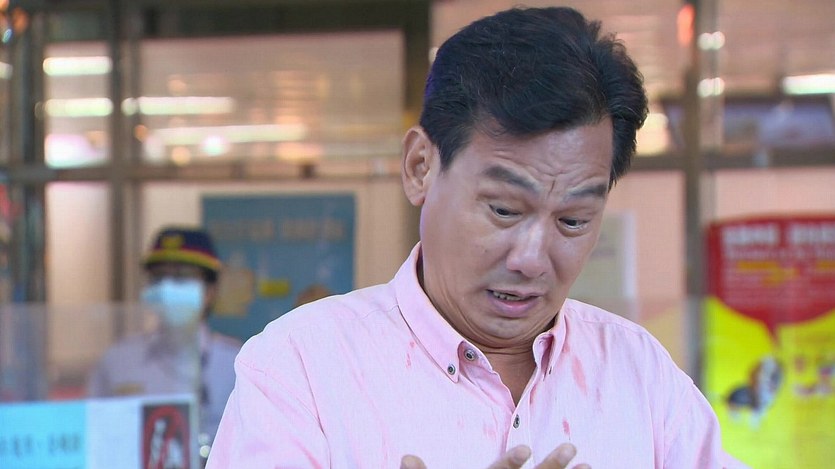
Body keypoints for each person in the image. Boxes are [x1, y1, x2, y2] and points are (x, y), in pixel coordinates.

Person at [207, 7, 747, 469]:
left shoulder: (639, 372)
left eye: (573, 221)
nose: (532, 259)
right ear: (420, 167)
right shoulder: (301, 366)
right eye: (504, 210)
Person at [88, 226, 241, 451]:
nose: (167, 287)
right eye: (158, 277)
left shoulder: (237, 364)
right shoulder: (119, 360)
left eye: (181, 277)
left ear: (210, 291)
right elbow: (96, 438)